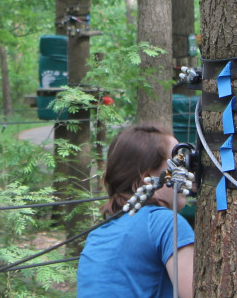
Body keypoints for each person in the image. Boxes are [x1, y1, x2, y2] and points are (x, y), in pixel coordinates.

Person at [76, 124, 193, 298]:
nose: (186, 171)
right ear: (148, 179)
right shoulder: (165, 223)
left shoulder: (97, 235)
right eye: (177, 162)